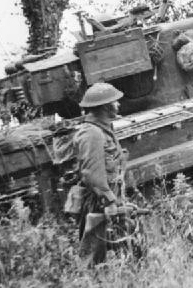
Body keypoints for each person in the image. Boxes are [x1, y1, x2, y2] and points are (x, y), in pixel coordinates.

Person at [73, 82, 127, 266]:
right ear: (105, 107)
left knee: (115, 252)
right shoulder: (92, 134)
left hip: (108, 201)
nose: (118, 105)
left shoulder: (105, 129)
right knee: (93, 261)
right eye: (114, 102)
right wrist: (109, 200)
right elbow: (92, 174)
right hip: (99, 204)